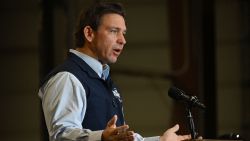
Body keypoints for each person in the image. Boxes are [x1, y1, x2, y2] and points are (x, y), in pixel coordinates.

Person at [38, 2, 191, 141]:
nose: (122, 40)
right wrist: (102, 137)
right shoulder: (68, 77)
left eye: (123, 33)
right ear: (89, 33)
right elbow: (62, 136)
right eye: (113, 31)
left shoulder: (106, 82)